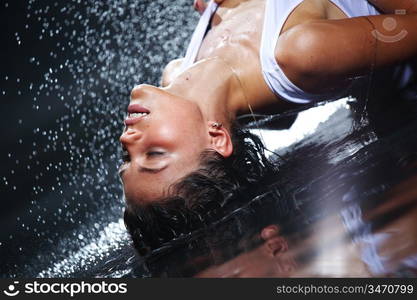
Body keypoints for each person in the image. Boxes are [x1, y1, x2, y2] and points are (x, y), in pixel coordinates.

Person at [120, 0, 417, 206]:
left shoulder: (180, 70)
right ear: (216, 137)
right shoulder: (302, 52)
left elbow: (282, 119)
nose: (128, 139)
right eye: (154, 154)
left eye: (126, 157)